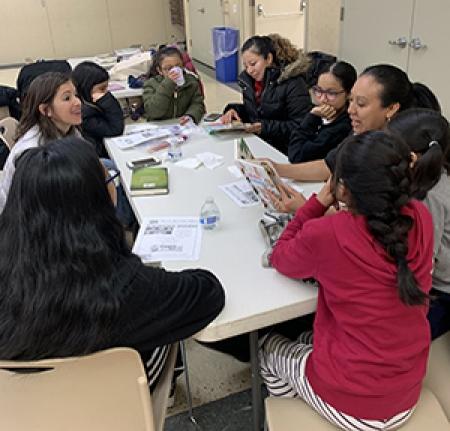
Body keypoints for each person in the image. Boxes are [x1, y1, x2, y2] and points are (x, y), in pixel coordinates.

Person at [0, 136, 225, 390]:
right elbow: (208, 291)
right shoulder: (125, 288)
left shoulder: (12, 274)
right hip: (123, 406)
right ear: (94, 203)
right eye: (109, 182)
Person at [260, 131, 433, 430]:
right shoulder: (421, 216)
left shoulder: (328, 232)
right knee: (305, 340)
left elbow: (281, 256)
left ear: (342, 189)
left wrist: (315, 204)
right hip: (406, 389)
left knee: (266, 348)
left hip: (354, 406)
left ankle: (296, 408)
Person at [270, 63, 440, 182]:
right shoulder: (361, 130)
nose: (351, 110)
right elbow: (330, 165)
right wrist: (274, 169)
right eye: (351, 101)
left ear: (391, 109)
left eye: (361, 104)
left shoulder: (403, 152)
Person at [387, 108, 450, 340]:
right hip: (435, 279)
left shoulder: (429, 197)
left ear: (412, 158)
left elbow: (423, 266)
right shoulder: (436, 175)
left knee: (395, 340)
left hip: (440, 291)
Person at [0, 72, 82, 212]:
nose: (78, 102)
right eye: (67, 98)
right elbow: (39, 210)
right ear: (46, 110)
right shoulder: (34, 152)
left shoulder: (68, 129)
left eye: (76, 95)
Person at [221, 34, 312, 154]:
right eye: (246, 66)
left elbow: (301, 125)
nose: (249, 70)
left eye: (253, 64)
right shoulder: (250, 82)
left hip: (284, 149)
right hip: (259, 142)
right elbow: (257, 112)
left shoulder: (293, 82)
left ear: (268, 59)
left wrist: (264, 128)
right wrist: (235, 110)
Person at [288, 61, 356, 163]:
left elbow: (297, 156)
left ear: (348, 94)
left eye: (331, 93)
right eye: (319, 91)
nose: (323, 99)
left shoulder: (344, 126)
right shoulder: (320, 111)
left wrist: (312, 118)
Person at [72, 61, 124, 158]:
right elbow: (115, 129)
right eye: (102, 89)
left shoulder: (90, 104)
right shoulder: (84, 114)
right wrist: (107, 100)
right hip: (97, 157)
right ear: (86, 88)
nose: (105, 93)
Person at [143, 46, 205, 124]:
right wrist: (168, 84)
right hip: (160, 126)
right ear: (160, 71)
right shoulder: (151, 84)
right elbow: (153, 112)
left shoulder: (191, 82)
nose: (175, 71)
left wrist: (190, 116)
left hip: (183, 125)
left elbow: (198, 104)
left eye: (178, 66)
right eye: (169, 68)